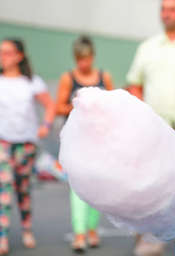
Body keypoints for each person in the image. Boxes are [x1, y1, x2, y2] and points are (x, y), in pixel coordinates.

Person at [126, 0, 175, 256]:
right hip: (154, 133)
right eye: (163, 9)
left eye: (171, 9)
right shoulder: (147, 48)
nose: (166, 13)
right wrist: (141, 115)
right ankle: (149, 242)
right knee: (150, 188)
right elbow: (135, 83)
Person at [55, 36, 113, 253]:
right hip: (77, 141)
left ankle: (92, 229)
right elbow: (59, 106)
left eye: (86, 59)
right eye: (79, 59)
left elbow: (113, 106)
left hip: (99, 140)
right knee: (77, 187)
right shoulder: (68, 78)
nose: (83, 63)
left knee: (97, 187)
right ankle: (79, 234)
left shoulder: (103, 77)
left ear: (92, 57)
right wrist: (78, 105)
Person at [0, 38, 55, 255]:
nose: (4, 57)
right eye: (1, 53)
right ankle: (2, 236)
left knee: (22, 189)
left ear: (19, 56)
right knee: (3, 188)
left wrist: (46, 125)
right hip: (3, 142)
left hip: (26, 143)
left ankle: (26, 229)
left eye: (8, 53)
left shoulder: (32, 82)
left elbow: (49, 106)